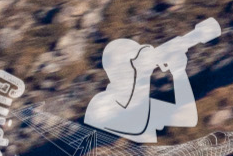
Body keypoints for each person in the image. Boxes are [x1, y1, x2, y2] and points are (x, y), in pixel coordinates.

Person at [84, 19, 219, 144]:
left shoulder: (141, 96)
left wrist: (178, 71)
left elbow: (187, 118)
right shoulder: (101, 105)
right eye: (133, 61)